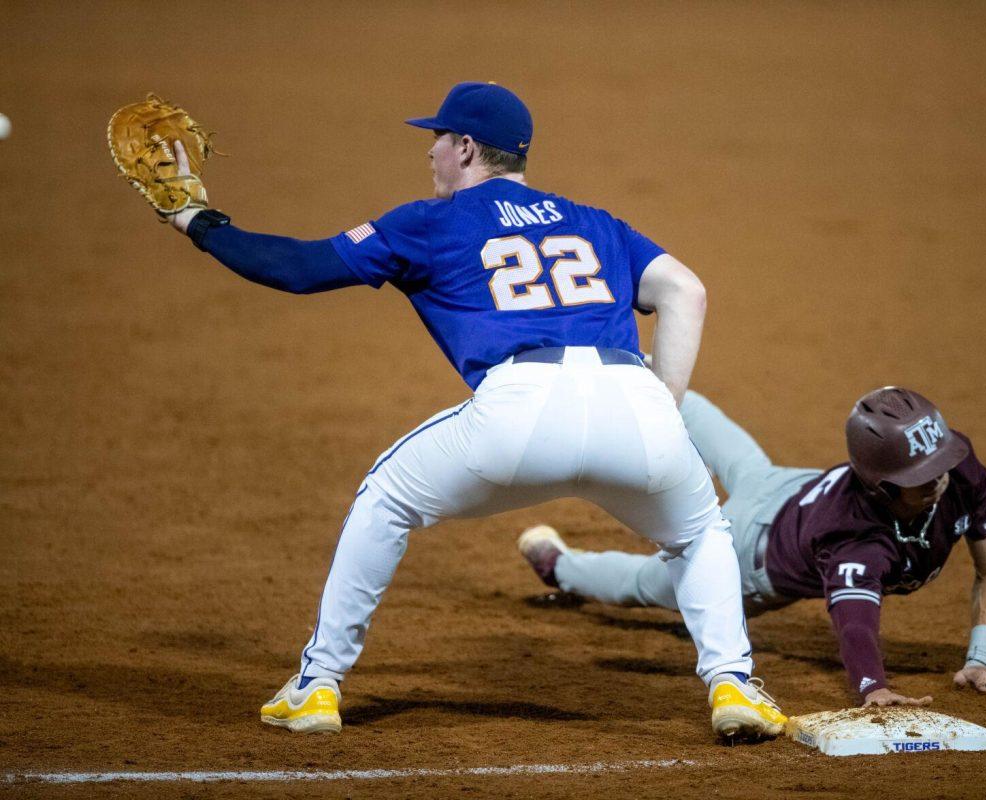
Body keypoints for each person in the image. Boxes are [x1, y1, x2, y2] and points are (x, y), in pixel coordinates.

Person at [156, 82, 787, 740]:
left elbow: (298, 267)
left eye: (436, 139)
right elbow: (686, 290)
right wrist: (663, 409)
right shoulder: (596, 221)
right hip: (634, 408)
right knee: (699, 532)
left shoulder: (427, 223)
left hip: (518, 415)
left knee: (386, 497)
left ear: (464, 147)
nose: (429, 153)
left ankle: (317, 687)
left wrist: (197, 220)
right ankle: (733, 684)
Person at [518, 386, 986, 707]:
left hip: (784, 486)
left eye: (939, 465)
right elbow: (853, 623)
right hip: (746, 558)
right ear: (879, 485)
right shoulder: (854, 538)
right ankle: (560, 565)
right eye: (920, 477)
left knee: (697, 415)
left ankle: (639, 376)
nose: (939, 480)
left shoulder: (954, 463)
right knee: (646, 585)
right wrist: (874, 686)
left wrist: (981, 659)